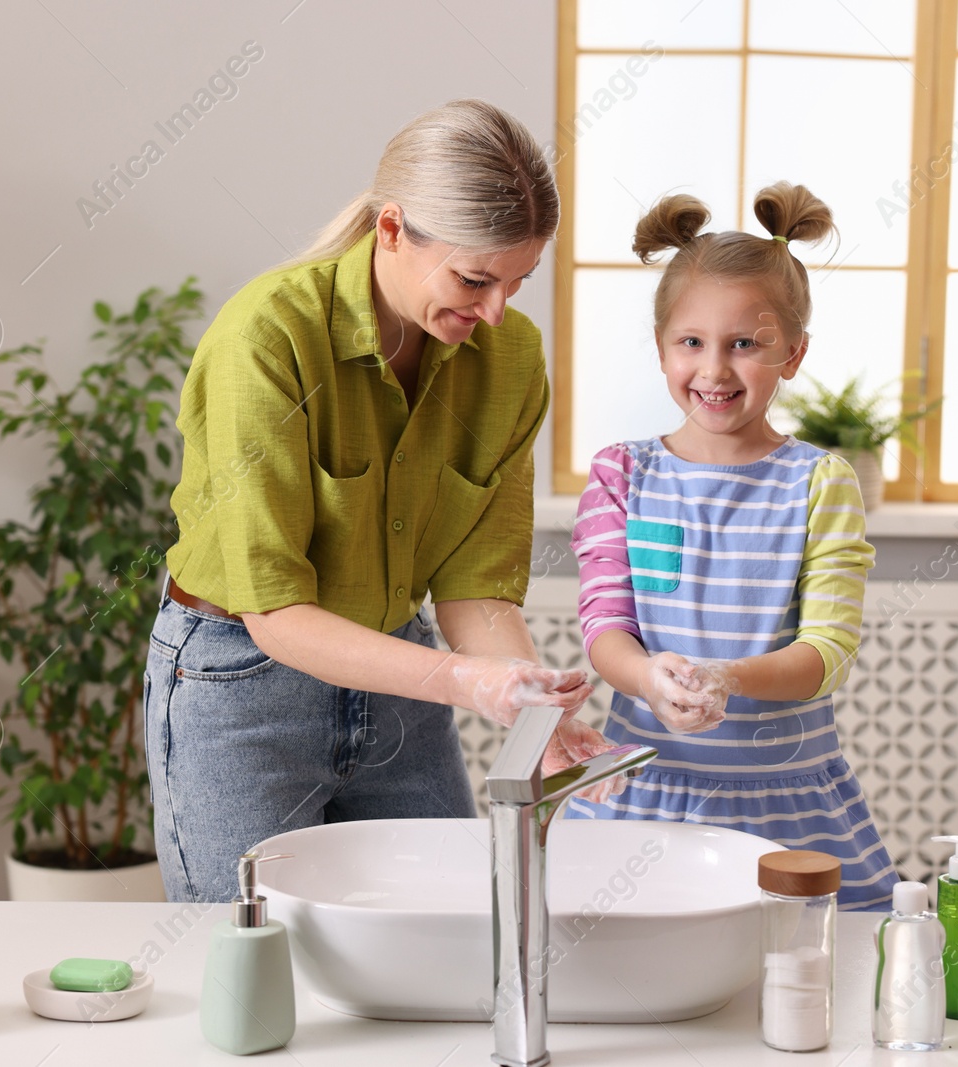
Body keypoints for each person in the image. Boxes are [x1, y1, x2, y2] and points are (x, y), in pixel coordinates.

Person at [145, 99, 611, 905]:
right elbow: (277, 612)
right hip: (240, 685)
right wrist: (471, 683)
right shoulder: (269, 336)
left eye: (517, 282)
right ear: (392, 229)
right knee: (252, 965)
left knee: (451, 932)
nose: (496, 311)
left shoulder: (508, 358)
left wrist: (527, 705)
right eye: (474, 279)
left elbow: (474, 585)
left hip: (403, 674)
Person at [565, 182, 899, 911]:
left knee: (804, 984)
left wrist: (730, 676)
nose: (714, 370)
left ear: (793, 352)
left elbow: (828, 651)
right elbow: (605, 631)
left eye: (745, 344)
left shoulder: (821, 482)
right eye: (692, 342)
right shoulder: (622, 474)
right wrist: (650, 677)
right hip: (643, 796)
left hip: (788, 805)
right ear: (661, 349)